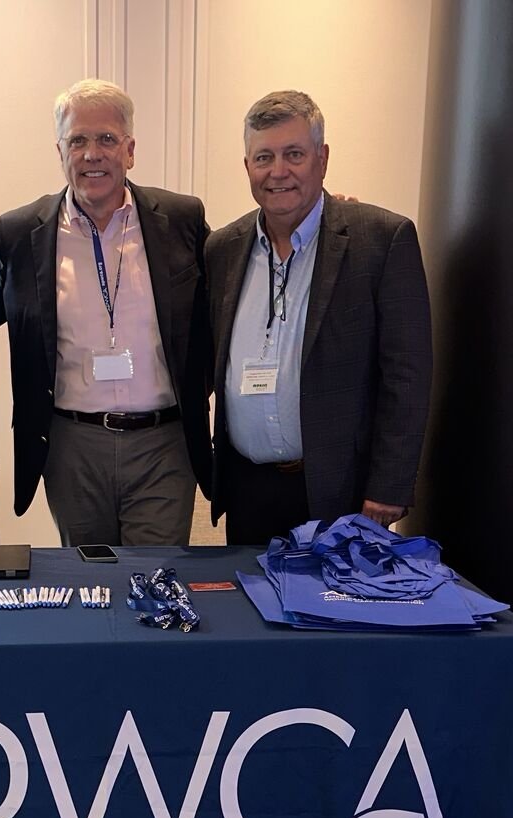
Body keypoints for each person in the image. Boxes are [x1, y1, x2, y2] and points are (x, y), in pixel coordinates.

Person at [0, 78, 212, 547]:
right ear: (60, 151)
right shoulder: (23, 232)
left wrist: (324, 223)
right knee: (92, 584)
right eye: (77, 141)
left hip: (163, 444)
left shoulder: (181, 219)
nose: (92, 154)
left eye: (106, 139)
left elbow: (235, 289)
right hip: (71, 446)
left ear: (130, 150)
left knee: (154, 581)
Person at [208, 90, 432, 544]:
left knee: (334, 613)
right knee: (249, 610)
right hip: (248, 488)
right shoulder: (223, 249)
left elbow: (407, 376)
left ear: (322, 158)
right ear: (247, 166)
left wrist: (389, 486)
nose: (278, 171)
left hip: (339, 492)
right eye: (263, 157)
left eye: (294, 154)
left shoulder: (381, 240)